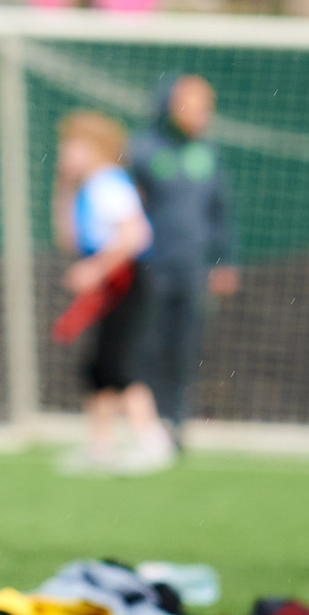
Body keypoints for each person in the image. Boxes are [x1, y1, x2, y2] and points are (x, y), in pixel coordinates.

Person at [52, 109, 165, 473]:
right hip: (108, 283)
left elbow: (135, 236)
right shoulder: (87, 188)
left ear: (94, 149)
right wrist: (65, 186)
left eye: (72, 146)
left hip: (127, 281)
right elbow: (69, 240)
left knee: (119, 363)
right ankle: (100, 447)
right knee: (98, 365)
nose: (64, 153)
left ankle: (152, 442)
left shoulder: (109, 184)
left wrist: (95, 269)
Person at [129, 73, 237, 446]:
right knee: (147, 345)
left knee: (184, 347)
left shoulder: (207, 154)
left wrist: (224, 261)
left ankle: (177, 423)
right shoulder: (142, 151)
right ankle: (145, 425)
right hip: (150, 267)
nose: (200, 113)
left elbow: (220, 211)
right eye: (191, 103)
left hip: (192, 269)